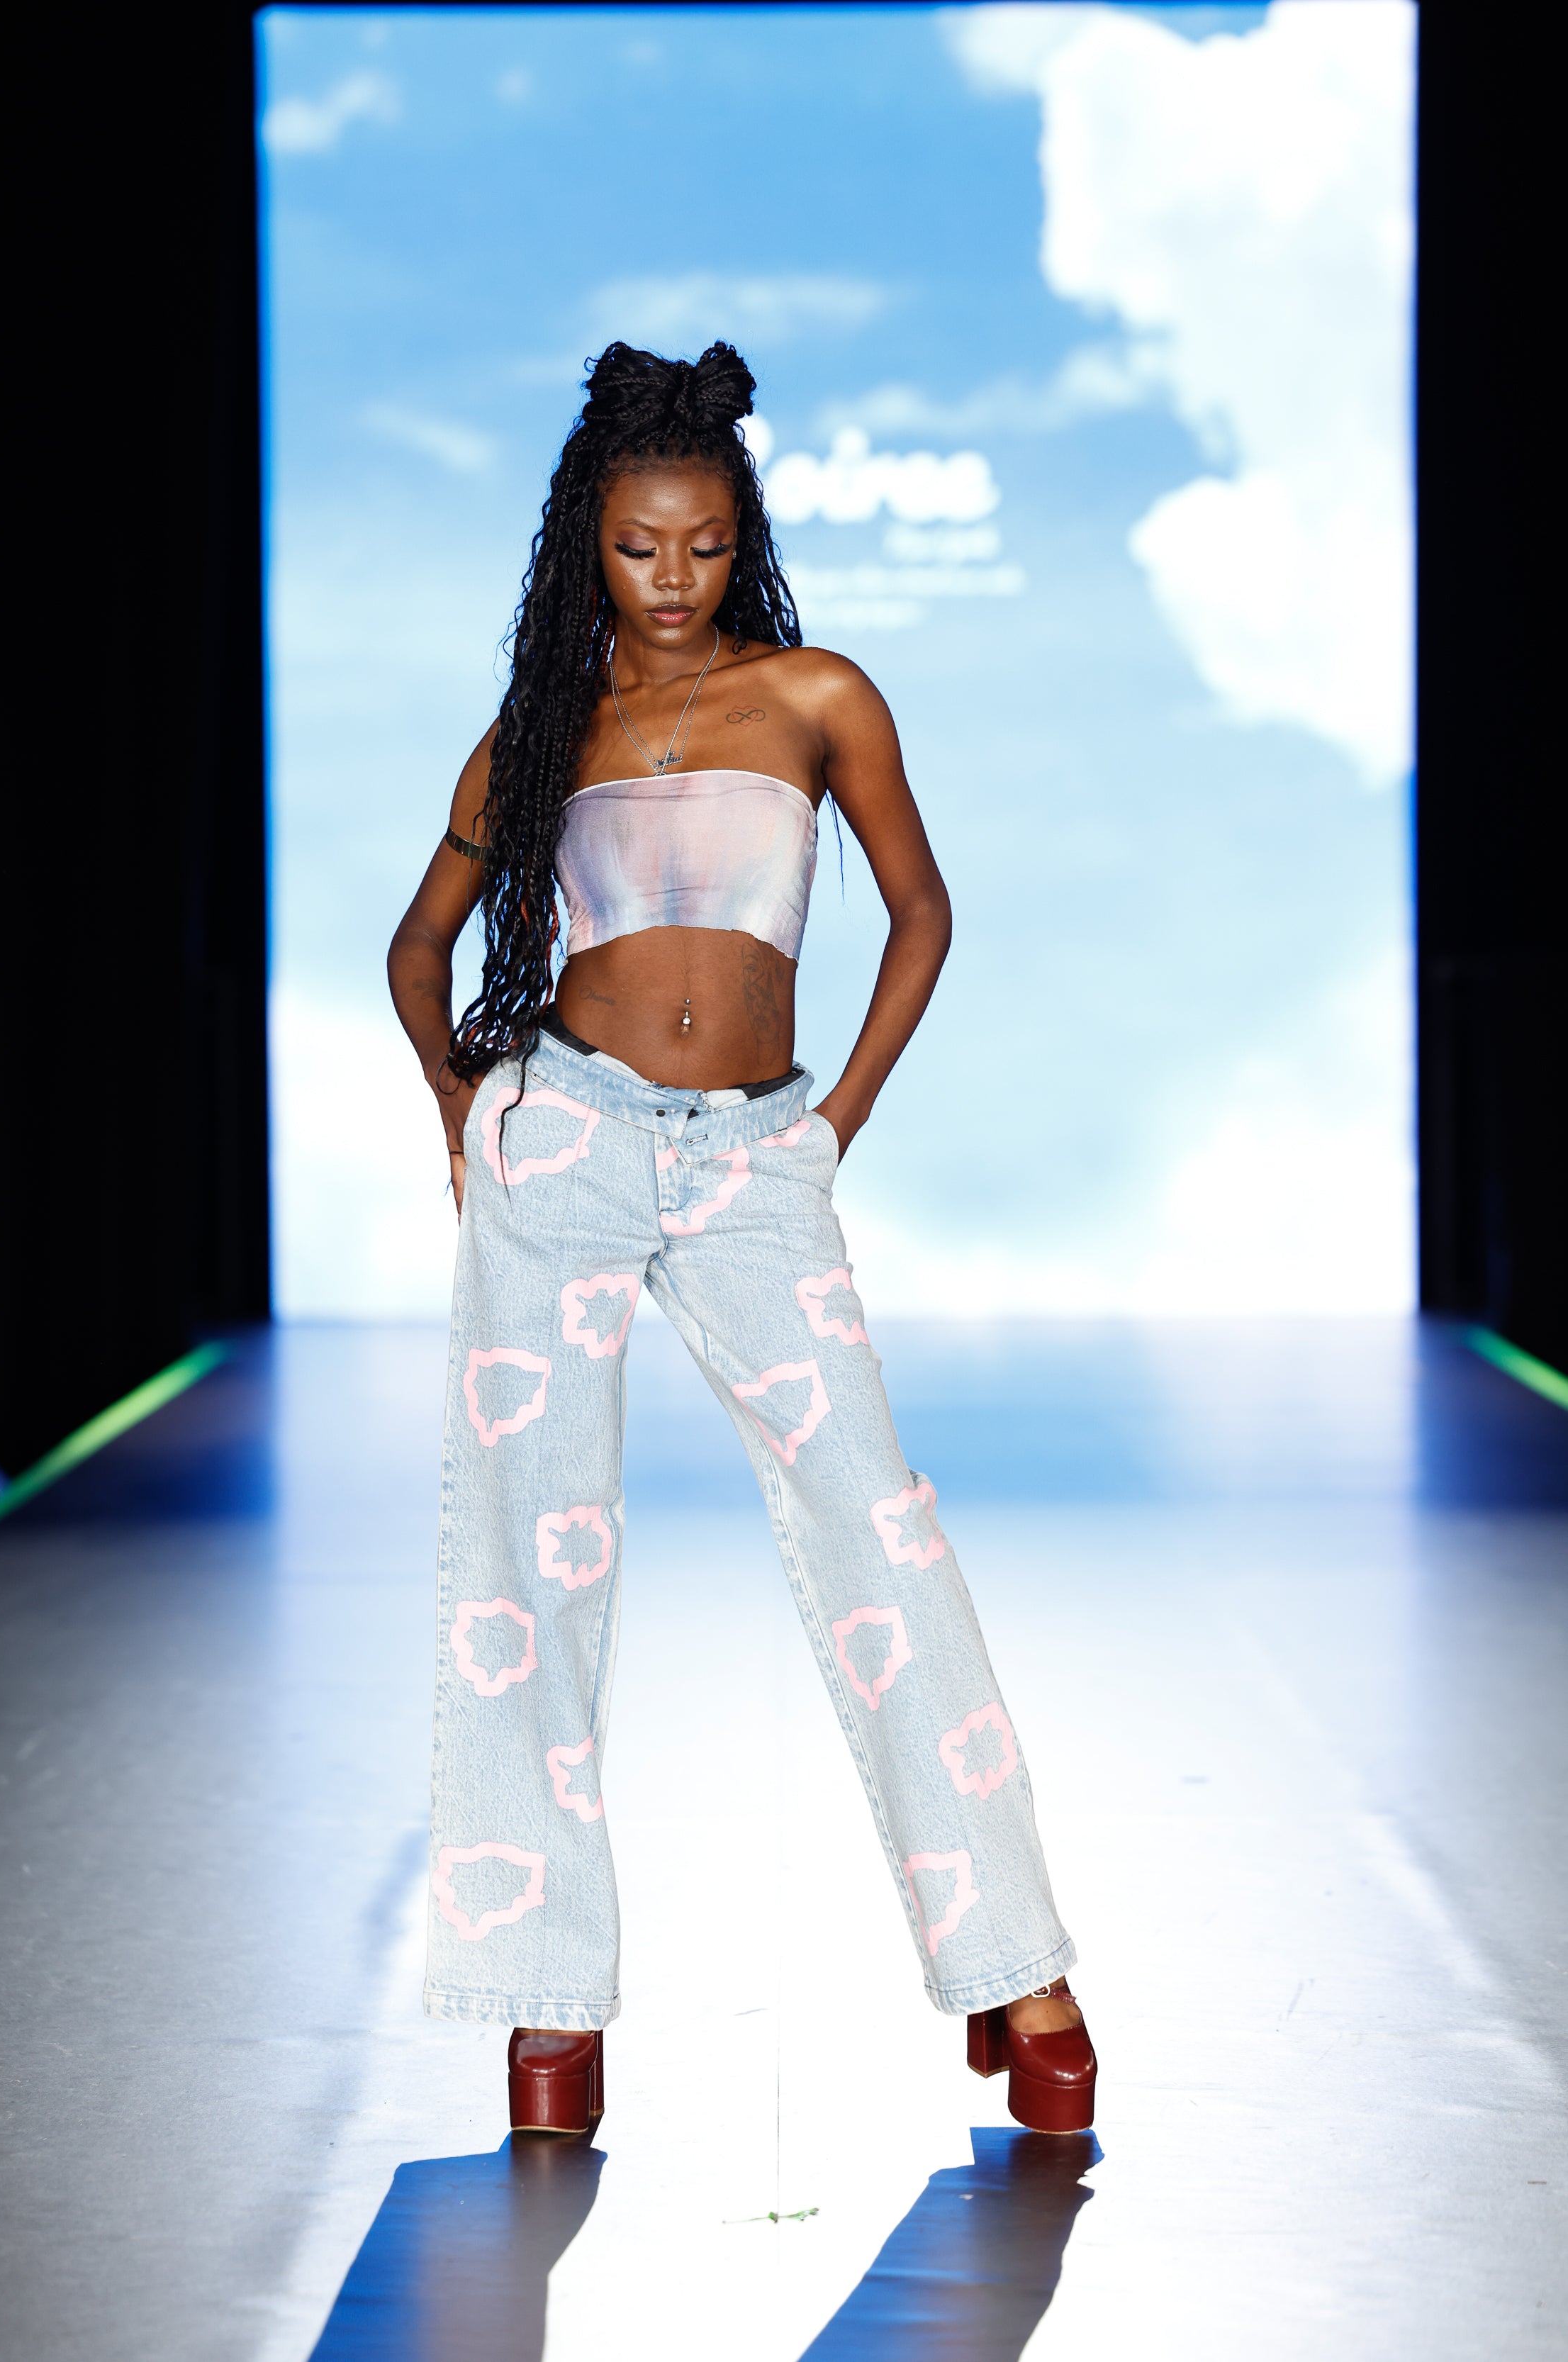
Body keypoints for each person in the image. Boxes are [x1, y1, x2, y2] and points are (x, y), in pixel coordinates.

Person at [388, 340, 1095, 2141]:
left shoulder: (816, 694)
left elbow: (921, 910)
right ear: (590, 541)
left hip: (755, 1159)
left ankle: (1015, 1962)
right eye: (640, 546)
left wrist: (831, 1118)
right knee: (526, 1572)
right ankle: (546, 1998)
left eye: (704, 544)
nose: (674, 577)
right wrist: (465, 1106)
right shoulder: (544, 732)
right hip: (565, 1144)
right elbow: (419, 947)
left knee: (877, 1524)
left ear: (742, 534)